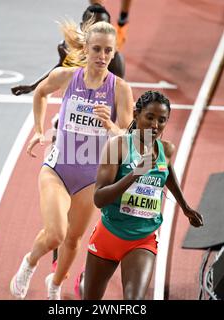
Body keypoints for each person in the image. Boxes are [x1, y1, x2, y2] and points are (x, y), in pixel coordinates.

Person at [10, 20, 134, 300]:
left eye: (107, 51)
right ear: (86, 50)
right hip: (58, 168)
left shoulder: (120, 90)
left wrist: (109, 125)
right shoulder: (67, 77)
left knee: (74, 239)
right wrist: (39, 131)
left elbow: (126, 135)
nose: (102, 57)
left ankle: (55, 283)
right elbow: (40, 92)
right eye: (96, 49)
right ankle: (30, 263)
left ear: (114, 54)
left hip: (91, 177)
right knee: (56, 234)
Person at [82, 90, 204, 300]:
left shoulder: (165, 149)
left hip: (142, 240)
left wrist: (185, 206)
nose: (155, 125)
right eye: (150, 117)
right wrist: (135, 173)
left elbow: (168, 172)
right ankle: (85, 282)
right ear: (136, 115)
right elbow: (99, 198)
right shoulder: (118, 146)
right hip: (109, 234)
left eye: (162, 120)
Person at [11, 4, 125, 96]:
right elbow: (61, 68)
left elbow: (118, 93)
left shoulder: (114, 58)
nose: (98, 30)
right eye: (92, 25)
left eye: (102, 25)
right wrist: (33, 86)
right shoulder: (66, 47)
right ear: (82, 25)